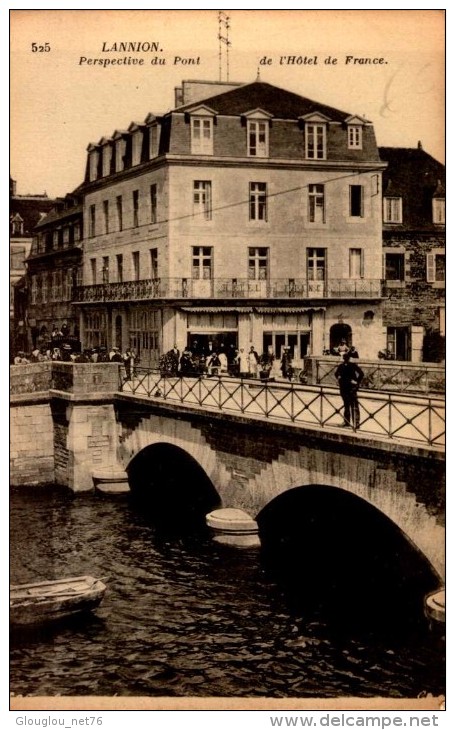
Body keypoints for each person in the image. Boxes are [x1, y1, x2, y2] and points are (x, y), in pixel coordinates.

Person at [335, 352, 364, 429]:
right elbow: (336, 374)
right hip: (346, 388)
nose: (345, 360)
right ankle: (349, 422)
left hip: (350, 388)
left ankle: (355, 423)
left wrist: (356, 381)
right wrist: (339, 377)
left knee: (351, 405)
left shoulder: (349, 365)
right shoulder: (342, 366)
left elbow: (361, 374)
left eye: (345, 358)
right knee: (348, 405)